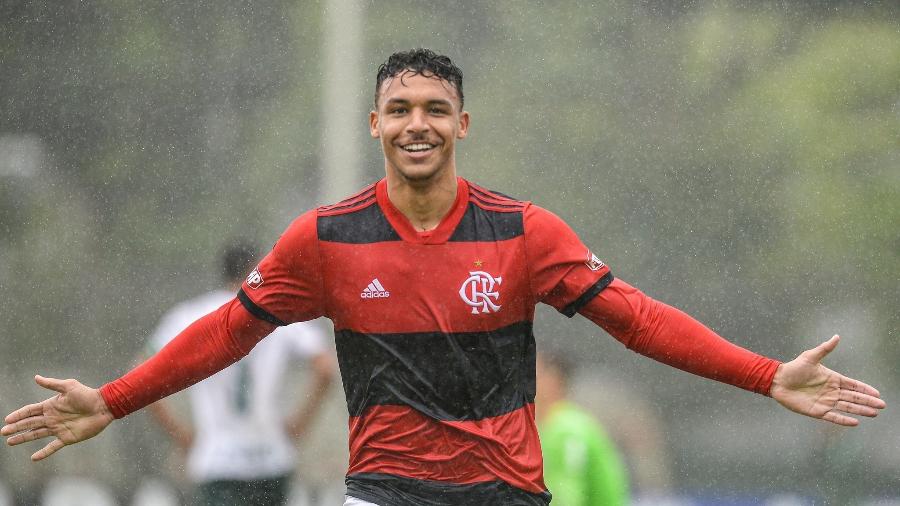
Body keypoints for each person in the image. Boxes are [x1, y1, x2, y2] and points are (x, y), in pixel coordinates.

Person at [2, 49, 885, 506]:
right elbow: (227, 332)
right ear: (374, 124)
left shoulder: (524, 231)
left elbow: (641, 321)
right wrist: (114, 400)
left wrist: (767, 375)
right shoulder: (325, 238)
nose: (416, 123)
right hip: (382, 494)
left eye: (433, 109)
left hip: (505, 495)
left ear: (462, 122)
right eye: (399, 109)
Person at [143, 242, 335, 506]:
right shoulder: (280, 311)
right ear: (255, 269)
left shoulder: (191, 315)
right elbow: (325, 368)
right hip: (271, 457)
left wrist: (182, 435)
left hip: (218, 460)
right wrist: (299, 424)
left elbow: (140, 373)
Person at [535, 351, 629, 506]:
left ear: (554, 380)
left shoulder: (566, 429)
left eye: (534, 373)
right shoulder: (550, 426)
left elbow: (566, 499)